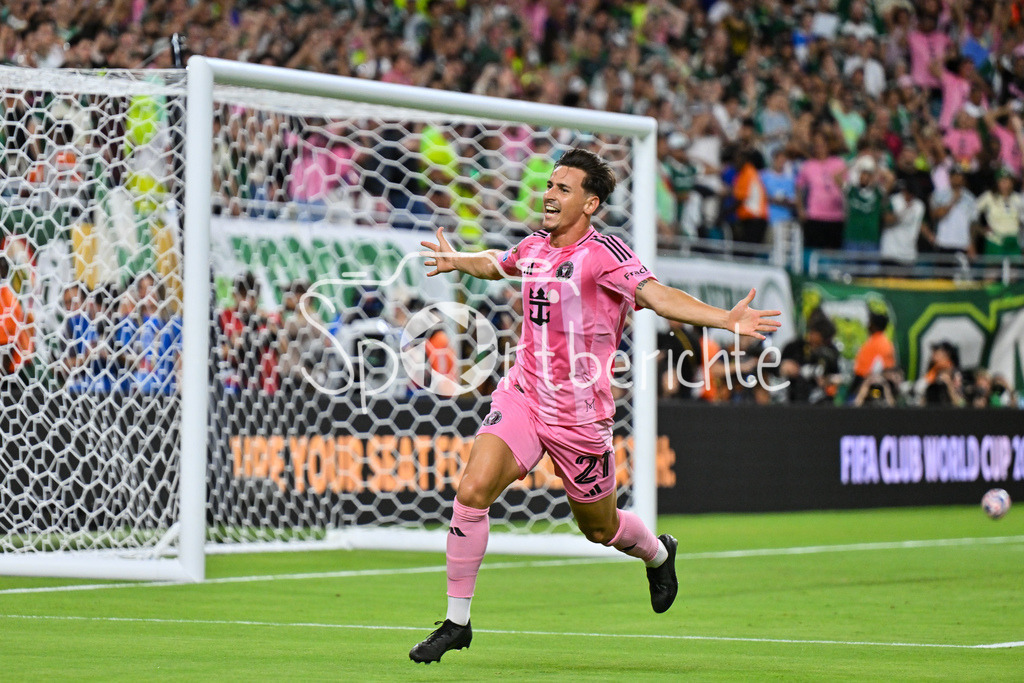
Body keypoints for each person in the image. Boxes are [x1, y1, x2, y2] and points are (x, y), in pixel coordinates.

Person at [411, 148, 781, 663]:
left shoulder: (604, 254)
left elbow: (657, 295)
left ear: (591, 202)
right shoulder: (536, 246)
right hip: (523, 395)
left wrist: (723, 320)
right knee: (472, 490)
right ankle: (457, 622)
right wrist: (458, 262)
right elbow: (498, 265)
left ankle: (657, 552)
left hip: (580, 415)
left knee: (600, 529)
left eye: (564, 189)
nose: (549, 195)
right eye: (550, 185)